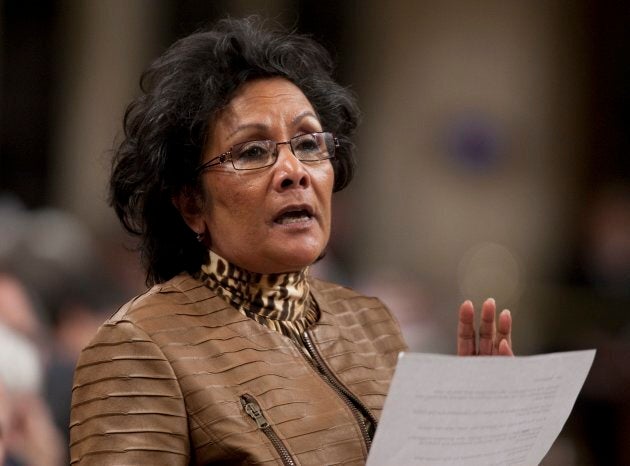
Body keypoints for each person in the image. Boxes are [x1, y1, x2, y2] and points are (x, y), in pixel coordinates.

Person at [69, 16, 513, 465]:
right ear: (190, 204)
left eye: (308, 143)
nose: (294, 170)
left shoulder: (370, 323)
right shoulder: (139, 348)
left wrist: (469, 440)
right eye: (253, 151)